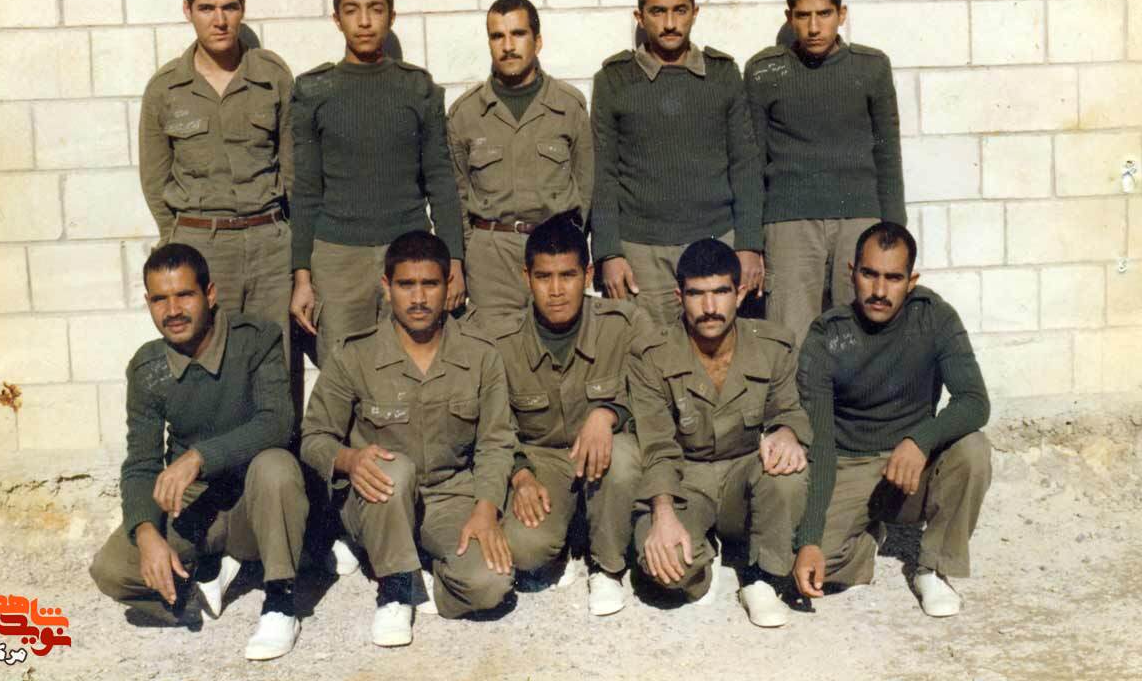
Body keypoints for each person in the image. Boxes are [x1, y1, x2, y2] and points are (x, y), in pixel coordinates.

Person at [89, 244, 308, 661]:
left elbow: (278, 423)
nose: (172, 310)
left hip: (254, 499)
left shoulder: (255, 339)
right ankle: (200, 584)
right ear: (148, 303)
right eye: (159, 299)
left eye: (184, 295)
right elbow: (141, 464)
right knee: (113, 569)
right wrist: (147, 533)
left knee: (276, 466)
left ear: (209, 294)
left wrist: (198, 457)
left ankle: (281, 600)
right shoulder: (148, 368)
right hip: (197, 505)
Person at [299, 231, 515, 647]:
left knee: (491, 584)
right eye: (406, 285)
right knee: (393, 469)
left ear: (448, 286)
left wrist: (485, 509)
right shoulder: (354, 354)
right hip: (375, 499)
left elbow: (495, 442)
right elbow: (314, 436)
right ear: (386, 286)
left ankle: (415, 566)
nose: (418, 298)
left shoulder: (480, 354)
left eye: (430, 284)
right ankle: (395, 590)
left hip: (447, 496)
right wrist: (350, 460)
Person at [792, 222, 991, 618]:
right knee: (804, 563)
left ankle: (932, 568)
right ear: (852, 273)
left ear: (911, 281)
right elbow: (822, 443)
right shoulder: (827, 335)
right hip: (849, 464)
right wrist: (811, 537)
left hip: (911, 469)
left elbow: (974, 401)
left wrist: (920, 440)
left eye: (893, 278)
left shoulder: (934, 317)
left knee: (973, 449)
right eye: (869, 274)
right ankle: (866, 540)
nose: (880, 291)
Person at [289, 0, 465, 373]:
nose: (365, 21)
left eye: (375, 9)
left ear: (391, 16)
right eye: (352, 11)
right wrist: (302, 277)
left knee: (409, 365)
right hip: (337, 259)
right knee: (342, 369)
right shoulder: (314, 91)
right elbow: (306, 191)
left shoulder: (417, 88)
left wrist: (453, 259)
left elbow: (440, 180)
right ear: (337, 19)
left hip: (407, 251)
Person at [628, 239, 810, 627]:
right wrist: (663, 513)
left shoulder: (773, 346)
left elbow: (790, 409)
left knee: (789, 471)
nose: (709, 307)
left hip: (744, 475)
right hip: (685, 481)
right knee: (666, 569)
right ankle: (705, 554)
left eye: (720, 292)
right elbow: (656, 445)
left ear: (739, 293)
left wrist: (787, 432)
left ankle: (762, 577)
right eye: (696, 294)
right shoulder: (651, 356)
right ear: (679, 297)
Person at [479, 212, 648, 616]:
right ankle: (568, 536)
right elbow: (492, 429)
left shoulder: (624, 324)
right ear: (526, 277)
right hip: (543, 460)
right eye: (544, 277)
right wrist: (520, 475)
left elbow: (654, 399)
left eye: (568, 276)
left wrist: (608, 413)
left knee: (623, 456)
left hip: (605, 456)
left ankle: (607, 567)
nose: (556, 291)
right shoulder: (500, 341)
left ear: (587, 275)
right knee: (524, 550)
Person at [590, 0, 765, 327]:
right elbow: (602, 173)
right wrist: (608, 253)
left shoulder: (723, 74)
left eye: (679, 11)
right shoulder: (613, 80)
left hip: (716, 240)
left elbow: (745, 164)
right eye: (658, 12)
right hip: (642, 253)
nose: (670, 23)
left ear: (694, 13)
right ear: (640, 17)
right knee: (648, 350)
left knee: (718, 346)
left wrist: (749, 244)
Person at [138, 0, 294, 357]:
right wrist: (181, 238)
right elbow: (155, 179)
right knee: (210, 361)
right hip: (201, 247)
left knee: (273, 358)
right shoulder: (165, 89)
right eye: (207, 8)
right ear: (188, 10)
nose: (220, 20)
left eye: (229, 8)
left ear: (243, 9)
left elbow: (294, 167)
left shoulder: (273, 76)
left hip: (269, 245)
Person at [744, 0, 907, 345]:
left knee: (860, 330)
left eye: (824, 14)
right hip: (789, 222)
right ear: (789, 17)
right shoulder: (764, 71)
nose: (814, 27)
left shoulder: (871, 67)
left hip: (859, 219)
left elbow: (888, 154)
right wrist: (750, 240)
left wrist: (895, 233)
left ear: (841, 14)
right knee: (790, 334)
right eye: (803, 16)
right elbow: (750, 163)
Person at [448, 0, 593, 318]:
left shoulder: (569, 106)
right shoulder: (465, 113)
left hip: (554, 252)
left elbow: (585, 187)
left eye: (518, 34)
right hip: (492, 260)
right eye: (497, 36)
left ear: (537, 41)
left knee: (558, 343)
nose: (508, 46)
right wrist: (476, 249)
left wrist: (570, 242)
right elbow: (458, 196)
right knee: (493, 343)